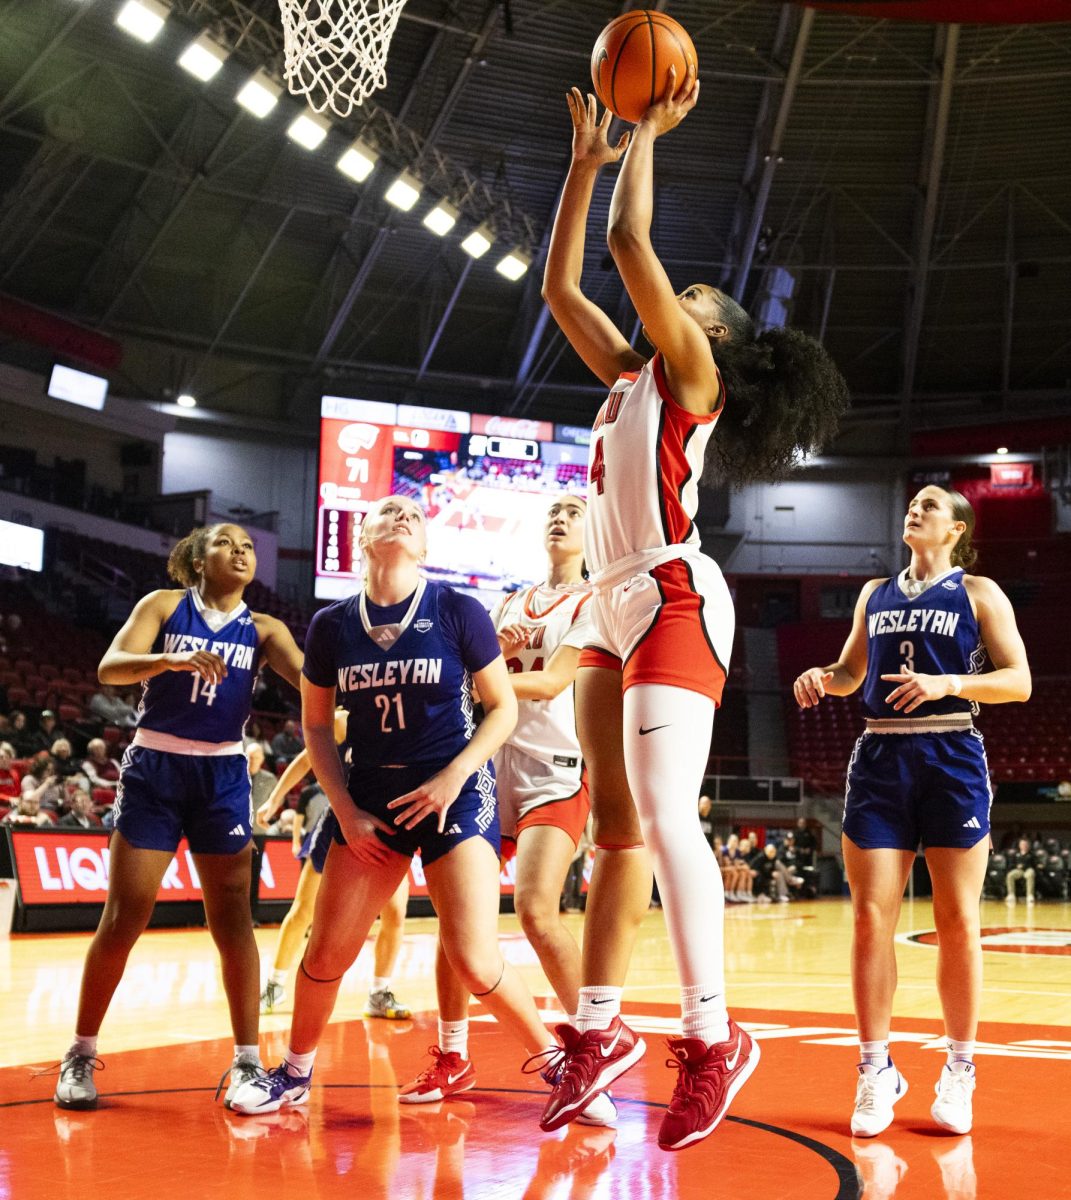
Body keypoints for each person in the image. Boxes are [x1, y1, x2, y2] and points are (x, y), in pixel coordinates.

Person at [538, 77, 848, 1152]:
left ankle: (713, 1038)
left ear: (713, 332)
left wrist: (646, 138)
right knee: (609, 835)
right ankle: (598, 1029)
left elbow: (630, 244)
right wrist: (583, 161)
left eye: (696, 293)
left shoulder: (693, 374)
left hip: (671, 591)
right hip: (607, 604)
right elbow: (560, 290)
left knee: (668, 818)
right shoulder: (627, 378)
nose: (680, 295)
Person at [229, 496, 557, 1117]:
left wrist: (456, 775)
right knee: (326, 951)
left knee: (472, 953)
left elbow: (503, 708)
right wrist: (345, 809)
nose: (401, 516)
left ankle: (560, 1066)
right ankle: (295, 1073)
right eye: (387, 511)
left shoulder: (457, 609)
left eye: (413, 515)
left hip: (454, 788)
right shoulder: (330, 627)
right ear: (362, 539)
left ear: (426, 546)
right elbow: (318, 730)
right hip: (371, 796)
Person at [793, 484, 1031, 1138]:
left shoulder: (978, 594)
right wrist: (824, 677)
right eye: (913, 503)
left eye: (930, 505)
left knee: (957, 920)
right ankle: (875, 1070)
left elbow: (1018, 681)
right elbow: (849, 671)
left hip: (951, 749)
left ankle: (959, 1068)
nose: (915, 509)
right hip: (879, 756)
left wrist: (947, 682)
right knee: (870, 920)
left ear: (954, 529)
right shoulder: (875, 594)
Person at [49, 523, 304, 1113]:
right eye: (227, 542)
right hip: (156, 768)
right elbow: (110, 668)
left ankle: (246, 1064)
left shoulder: (265, 629)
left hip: (221, 776)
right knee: (125, 915)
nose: (241, 551)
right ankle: (80, 1052)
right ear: (198, 556)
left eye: (248, 547)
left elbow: (316, 684)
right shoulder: (163, 606)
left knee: (233, 921)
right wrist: (168, 658)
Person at [400, 495, 612, 1125]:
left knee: (536, 909)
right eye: (554, 511)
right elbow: (465, 660)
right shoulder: (510, 601)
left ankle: (592, 1051)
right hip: (488, 767)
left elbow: (549, 683)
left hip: (555, 771)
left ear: (591, 531)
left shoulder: (592, 601)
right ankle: (452, 1053)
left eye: (574, 512)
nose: (560, 518)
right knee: (456, 919)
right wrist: (489, 647)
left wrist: (476, 676)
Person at [257, 708, 412, 1022]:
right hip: (343, 822)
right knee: (303, 911)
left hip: (390, 826)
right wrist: (275, 798)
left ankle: (379, 993)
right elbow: (306, 758)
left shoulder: (412, 716)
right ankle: (274, 984)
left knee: (395, 914)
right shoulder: (345, 719)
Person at [1004, 837, 1036, 905]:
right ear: (1019, 845)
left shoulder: (1031, 854)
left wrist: (1024, 866)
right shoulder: (1016, 854)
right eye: (1022, 844)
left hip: (1028, 870)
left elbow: (1033, 865)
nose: (1023, 846)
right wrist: (1017, 866)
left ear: (1028, 845)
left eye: (1025, 844)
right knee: (1010, 875)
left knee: (1030, 874)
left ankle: (1030, 895)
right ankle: (1011, 895)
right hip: (1019, 871)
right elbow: (1012, 864)